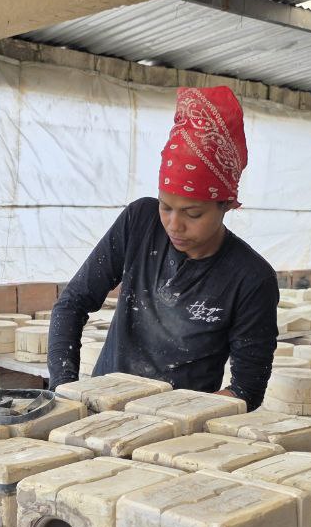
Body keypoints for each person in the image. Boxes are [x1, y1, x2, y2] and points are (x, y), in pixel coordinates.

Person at [47, 86, 279, 409]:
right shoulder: (139, 222)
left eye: (192, 213)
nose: (173, 224)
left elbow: (246, 390)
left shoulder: (251, 279)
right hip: (101, 415)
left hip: (176, 438)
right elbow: (70, 305)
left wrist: (176, 420)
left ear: (226, 204)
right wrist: (64, 389)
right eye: (166, 206)